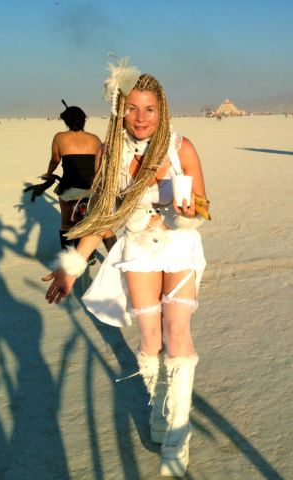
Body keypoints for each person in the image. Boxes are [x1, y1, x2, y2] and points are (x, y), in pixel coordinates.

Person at [42, 58, 210, 477]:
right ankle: (160, 407)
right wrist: (72, 265)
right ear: (119, 110)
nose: (140, 117)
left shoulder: (181, 148)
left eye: (149, 109)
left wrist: (189, 213)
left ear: (162, 110)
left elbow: (203, 206)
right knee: (150, 339)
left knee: (177, 331)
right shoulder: (110, 154)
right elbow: (101, 217)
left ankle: (178, 434)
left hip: (179, 245)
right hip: (137, 248)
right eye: (131, 108)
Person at [42, 103, 116, 251]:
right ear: (83, 120)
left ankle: (67, 260)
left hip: (70, 189)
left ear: (66, 122)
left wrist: (48, 174)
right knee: (102, 227)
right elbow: (102, 165)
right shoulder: (94, 138)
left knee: (67, 225)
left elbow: (55, 160)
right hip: (93, 189)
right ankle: (116, 257)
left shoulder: (60, 137)